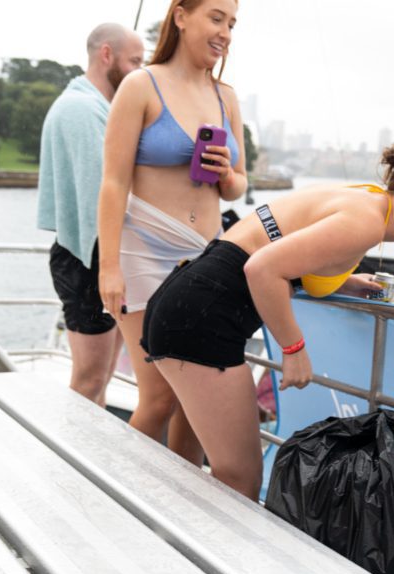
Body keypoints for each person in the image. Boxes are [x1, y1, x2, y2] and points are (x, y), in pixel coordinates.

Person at [139, 139, 394, 500]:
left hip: (190, 298)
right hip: (204, 316)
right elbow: (262, 267)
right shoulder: (365, 222)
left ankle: (167, 546)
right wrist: (293, 348)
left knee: (188, 464)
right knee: (241, 478)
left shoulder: (366, 200)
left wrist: (347, 283)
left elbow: (290, 253)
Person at [97, 0, 246, 465]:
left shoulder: (227, 96)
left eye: (232, 24)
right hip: (143, 250)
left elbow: (238, 186)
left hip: (203, 256)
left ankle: (181, 512)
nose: (225, 32)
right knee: (160, 397)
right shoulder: (142, 85)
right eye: (216, 18)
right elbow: (114, 181)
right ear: (181, 16)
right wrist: (109, 267)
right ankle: (114, 498)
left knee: (195, 400)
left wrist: (226, 173)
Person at [37, 23, 144, 406]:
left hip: (99, 255)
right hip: (88, 257)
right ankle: (63, 465)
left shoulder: (95, 107)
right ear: (106, 55)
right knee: (89, 380)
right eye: (134, 61)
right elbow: (100, 190)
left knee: (100, 380)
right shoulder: (82, 110)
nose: (139, 71)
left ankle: (82, 462)